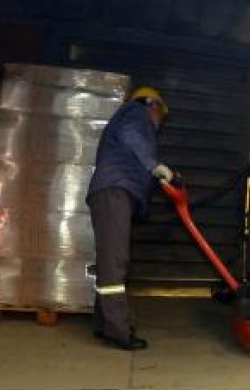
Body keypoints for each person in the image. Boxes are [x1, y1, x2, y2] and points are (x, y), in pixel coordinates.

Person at [86, 86, 175, 351]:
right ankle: (118, 331)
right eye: (161, 114)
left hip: (112, 192)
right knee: (115, 262)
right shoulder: (136, 113)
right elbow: (131, 137)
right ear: (153, 105)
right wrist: (155, 166)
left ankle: (104, 324)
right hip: (114, 191)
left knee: (109, 261)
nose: (160, 122)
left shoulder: (132, 116)